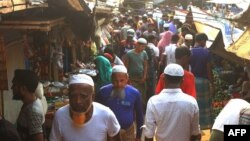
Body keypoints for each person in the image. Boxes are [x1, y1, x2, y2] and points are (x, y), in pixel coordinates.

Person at [49, 74, 121, 141]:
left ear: (92, 97)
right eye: (73, 96)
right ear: (69, 96)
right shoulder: (60, 115)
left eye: (83, 96)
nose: (78, 101)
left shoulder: (106, 114)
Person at [143, 64, 201, 141]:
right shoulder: (191, 102)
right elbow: (195, 134)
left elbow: (148, 135)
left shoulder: (153, 102)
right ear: (182, 81)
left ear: (163, 79)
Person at [98, 65, 144, 141]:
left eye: (122, 80)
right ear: (111, 79)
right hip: (108, 133)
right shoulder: (103, 92)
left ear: (127, 79)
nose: (119, 84)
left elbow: (139, 115)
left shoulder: (135, 93)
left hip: (128, 132)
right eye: (116, 80)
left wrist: (138, 136)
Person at [11, 69, 45, 141]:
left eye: (14, 85)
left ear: (23, 89)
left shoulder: (33, 111)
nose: (12, 88)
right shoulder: (29, 104)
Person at [190, 33, 213, 130]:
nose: (205, 43)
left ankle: (196, 123)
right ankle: (205, 125)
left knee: (196, 102)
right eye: (205, 41)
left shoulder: (190, 51)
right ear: (201, 40)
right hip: (204, 81)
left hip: (193, 79)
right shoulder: (206, 52)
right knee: (205, 103)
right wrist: (211, 81)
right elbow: (208, 69)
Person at [123, 38, 148, 110]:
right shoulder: (129, 54)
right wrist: (127, 78)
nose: (143, 48)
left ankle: (141, 108)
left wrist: (144, 76)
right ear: (137, 45)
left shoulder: (144, 53)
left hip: (141, 77)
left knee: (142, 95)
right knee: (132, 93)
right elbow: (126, 66)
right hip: (132, 78)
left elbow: (145, 65)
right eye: (142, 46)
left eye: (144, 46)